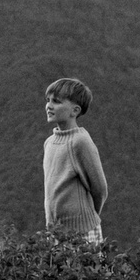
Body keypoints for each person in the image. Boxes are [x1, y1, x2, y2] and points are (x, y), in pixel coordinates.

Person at [41, 77, 108, 243]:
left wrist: (89, 216)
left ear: (75, 111)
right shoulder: (49, 142)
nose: (49, 106)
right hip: (56, 231)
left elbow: (100, 189)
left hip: (82, 232)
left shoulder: (80, 142)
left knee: (85, 262)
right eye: (48, 100)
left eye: (56, 101)